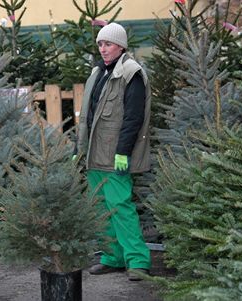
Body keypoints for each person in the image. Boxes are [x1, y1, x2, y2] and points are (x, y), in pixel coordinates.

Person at [76, 22, 151, 281]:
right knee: (100, 207)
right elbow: (88, 116)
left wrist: (123, 151)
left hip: (115, 155)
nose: (103, 48)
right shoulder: (98, 73)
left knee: (120, 206)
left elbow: (133, 117)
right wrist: (80, 149)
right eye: (100, 44)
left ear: (120, 46)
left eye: (107, 44)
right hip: (94, 154)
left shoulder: (132, 73)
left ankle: (138, 261)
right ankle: (112, 257)